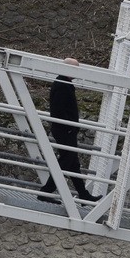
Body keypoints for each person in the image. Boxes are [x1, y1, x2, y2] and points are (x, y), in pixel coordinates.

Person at [39, 58, 100, 202]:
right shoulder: (62, 85)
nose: (77, 71)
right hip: (64, 130)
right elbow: (58, 110)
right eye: (75, 68)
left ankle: (83, 194)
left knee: (73, 163)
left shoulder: (63, 83)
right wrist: (69, 127)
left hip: (65, 129)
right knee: (67, 160)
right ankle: (46, 191)